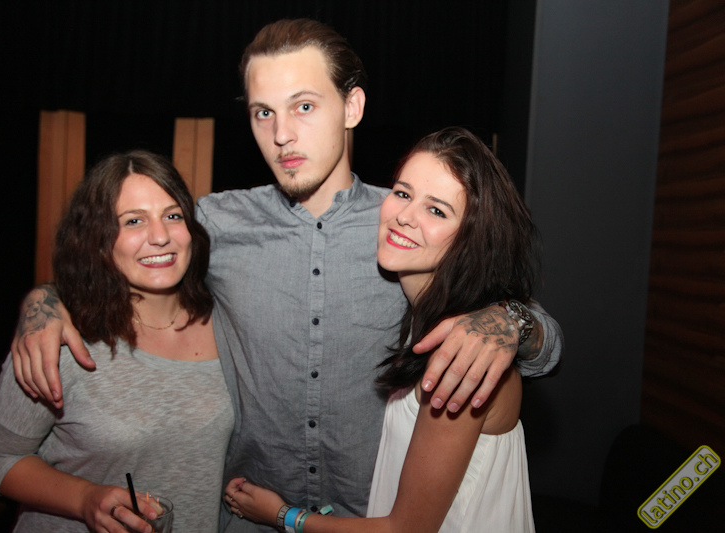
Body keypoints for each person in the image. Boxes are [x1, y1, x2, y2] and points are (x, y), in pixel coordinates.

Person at [8, 19, 562, 532]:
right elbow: (127, 258)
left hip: (369, 517)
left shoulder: (403, 226)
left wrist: (508, 321)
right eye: (263, 113)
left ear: (351, 106)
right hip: (246, 516)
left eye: (304, 106)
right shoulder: (218, 223)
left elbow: (540, 336)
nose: (281, 135)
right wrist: (43, 302)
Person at [225, 126, 537, 532]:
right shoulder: (425, 321)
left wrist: (281, 515)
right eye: (403, 194)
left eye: (437, 211)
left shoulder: (462, 356)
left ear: (472, 239)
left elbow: (404, 529)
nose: (404, 216)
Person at [0, 151, 234, 532]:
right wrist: (85, 499)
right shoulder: (61, 339)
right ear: (98, 240)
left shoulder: (229, 329)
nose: (160, 236)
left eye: (173, 215)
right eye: (133, 221)